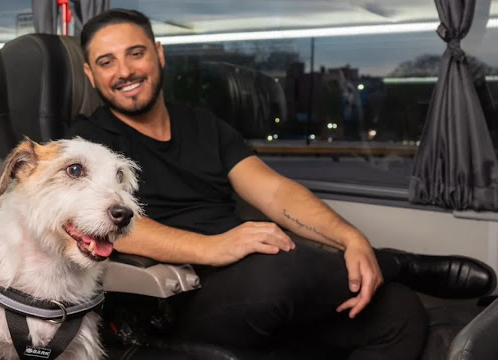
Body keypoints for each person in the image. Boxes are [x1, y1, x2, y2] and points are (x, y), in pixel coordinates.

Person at [66, 9, 495, 360]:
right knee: (281, 267)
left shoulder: (203, 125)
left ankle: (384, 265)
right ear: (89, 73)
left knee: (399, 310)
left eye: (135, 53)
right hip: (180, 294)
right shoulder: (87, 145)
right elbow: (111, 225)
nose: (124, 71)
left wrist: (352, 240)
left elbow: (276, 192)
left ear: (159, 55)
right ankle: (404, 263)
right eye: (106, 62)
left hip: (256, 282)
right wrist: (215, 247)